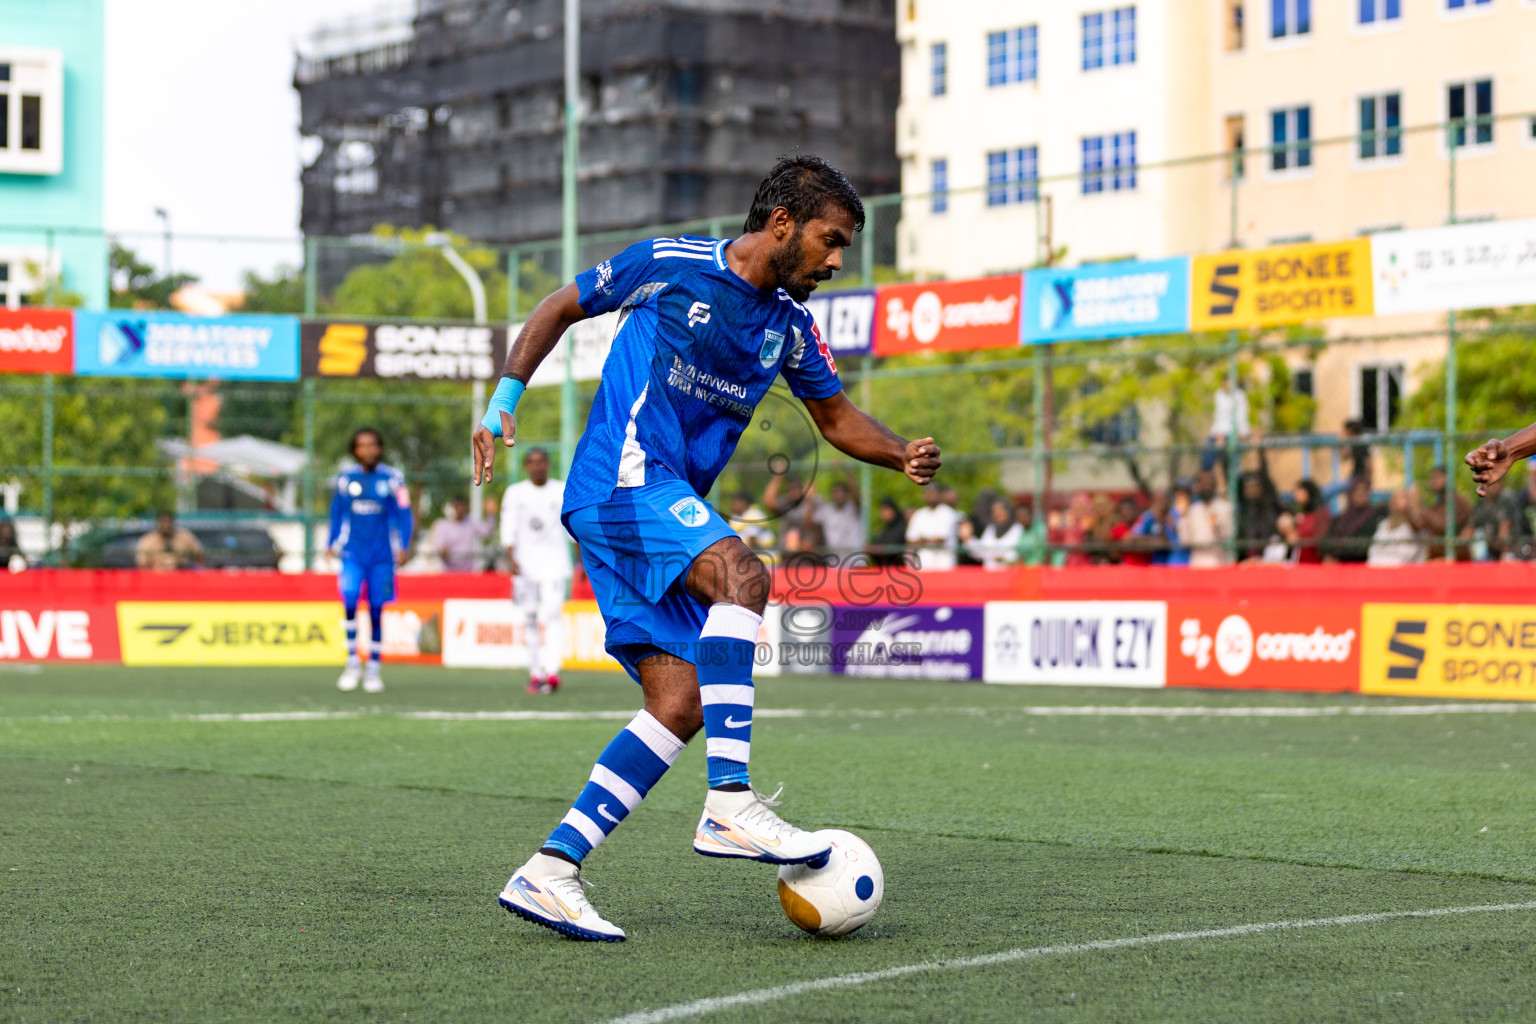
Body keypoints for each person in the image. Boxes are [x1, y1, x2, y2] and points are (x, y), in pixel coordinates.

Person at [470, 155, 942, 942]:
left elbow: (835, 419)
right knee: (743, 576)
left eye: (845, 249)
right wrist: (504, 400)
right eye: (830, 241)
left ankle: (551, 870)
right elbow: (560, 305)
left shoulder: (790, 327)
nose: (835, 261)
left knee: (680, 703)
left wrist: (898, 453)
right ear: (781, 223)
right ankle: (730, 804)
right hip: (621, 481)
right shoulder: (670, 266)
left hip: (647, 506)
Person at [329, 427, 413, 694]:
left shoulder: (393, 479)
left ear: (380, 448)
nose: (368, 450)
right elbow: (336, 514)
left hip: (383, 558)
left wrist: (406, 544)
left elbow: (404, 514)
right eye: (362, 446)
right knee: (350, 601)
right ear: (354, 450)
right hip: (353, 554)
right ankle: (352, 662)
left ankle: (374, 668)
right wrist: (330, 542)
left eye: (372, 445)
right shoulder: (345, 479)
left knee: (377, 610)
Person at [500, 447, 573, 694]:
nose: (537, 466)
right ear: (526, 467)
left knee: (552, 616)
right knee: (529, 618)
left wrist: (581, 562)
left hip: (555, 565)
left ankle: (552, 672)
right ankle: (535, 672)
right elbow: (507, 528)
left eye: (541, 461)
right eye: (532, 462)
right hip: (525, 567)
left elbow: (572, 528)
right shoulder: (515, 493)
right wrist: (512, 558)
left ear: (548, 465)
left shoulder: (561, 489)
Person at [1408, 466, 1471, 560]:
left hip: (1455, 560)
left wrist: (1421, 507)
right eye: (1431, 478)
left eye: (1436, 478)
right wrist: (1409, 508)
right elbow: (1419, 527)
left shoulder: (1457, 502)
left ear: (1447, 478)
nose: (1432, 482)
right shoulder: (1438, 505)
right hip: (1436, 559)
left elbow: (1443, 526)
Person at [1323, 478, 1385, 564]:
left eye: (1364, 490)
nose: (1360, 493)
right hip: (1336, 567)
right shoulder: (1339, 519)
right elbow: (1325, 542)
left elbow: (1366, 544)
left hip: (1361, 565)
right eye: (1357, 490)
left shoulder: (1375, 517)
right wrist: (1328, 556)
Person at [1180, 471, 1234, 568]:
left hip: (1219, 563)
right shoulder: (1193, 510)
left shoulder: (1225, 508)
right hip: (1197, 564)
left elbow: (1229, 538)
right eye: (1203, 484)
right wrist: (1183, 518)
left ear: (1214, 485)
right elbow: (1185, 541)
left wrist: (1216, 526)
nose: (1206, 487)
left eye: (1209, 484)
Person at [428, 497, 493, 572]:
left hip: (468, 572)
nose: (460, 509)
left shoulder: (471, 522)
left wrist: (490, 514)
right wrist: (443, 551)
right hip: (449, 572)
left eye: (462, 506)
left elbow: (487, 532)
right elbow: (438, 548)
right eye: (458, 505)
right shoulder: (444, 526)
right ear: (453, 507)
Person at [905, 482, 959, 570]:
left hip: (944, 565)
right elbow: (910, 541)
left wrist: (922, 540)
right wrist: (928, 540)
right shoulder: (919, 514)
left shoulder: (948, 513)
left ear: (940, 495)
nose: (931, 495)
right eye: (928, 492)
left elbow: (939, 540)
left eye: (934, 493)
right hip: (923, 565)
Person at [1465, 476, 1520, 561]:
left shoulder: (1506, 498)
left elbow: (1505, 528)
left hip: (1513, 549)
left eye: (1496, 482)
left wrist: (1504, 554)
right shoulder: (1482, 501)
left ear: (1502, 484)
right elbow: (1470, 527)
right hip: (1491, 551)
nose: (1493, 486)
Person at [808, 478, 865, 559]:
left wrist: (847, 469)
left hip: (854, 560)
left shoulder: (852, 507)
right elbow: (809, 523)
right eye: (835, 492)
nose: (838, 495)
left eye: (841, 492)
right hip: (834, 562)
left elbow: (856, 496)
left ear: (846, 494)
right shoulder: (826, 510)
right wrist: (809, 498)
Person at [1201, 381, 1250, 474]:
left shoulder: (1240, 395)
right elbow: (1219, 416)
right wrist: (1219, 434)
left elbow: (1242, 416)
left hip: (1234, 435)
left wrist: (1240, 433)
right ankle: (1206, 478)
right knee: (1208, 453)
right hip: (1219, 434)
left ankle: (1234, 480)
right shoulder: (1219, 394)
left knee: (1232, 464)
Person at [1367, 490, 1425, 566]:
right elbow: (1373, 550)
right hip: (1376, 569)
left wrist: (1408, 509)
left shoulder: (1414, 525)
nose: (1394, 502)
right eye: (1393, 499)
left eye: (1400, 498)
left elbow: (1418, 526)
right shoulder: (1383, 524)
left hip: (1403, 572)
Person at [135, 512, 204, 571]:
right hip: (156, 578)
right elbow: (142, 564)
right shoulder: (148, 540)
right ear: (158, 524)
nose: (166, 526)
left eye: (168, 522)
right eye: (163, 522)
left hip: (182, 578)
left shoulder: (184, 537)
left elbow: (199, 556)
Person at [965, 498, 1021, 570]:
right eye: (994, 511)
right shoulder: (990, 529)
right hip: (990, 575)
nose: (997, 513)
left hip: (1009, 575)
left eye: (1000, 509)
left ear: (1008, 510)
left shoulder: (1018, 529)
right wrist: (968, 539)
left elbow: (1021, 554)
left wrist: (1005, 558)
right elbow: (981, 552)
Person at [1289, 480, 1330, 564]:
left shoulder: (1321, 513)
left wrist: (1300, 539)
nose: (1296, 495)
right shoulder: (1301, 513)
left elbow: (1321, 538)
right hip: (1301, 560)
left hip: (1315, 561)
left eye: (1299, 491)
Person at [868, 496, 908, 567]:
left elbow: (895, 547)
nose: (884, 513)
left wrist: (879, 550)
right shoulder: (883, 530)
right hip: (883, 570)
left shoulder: (902, 527)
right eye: (882, 510)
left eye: (887, 509)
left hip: (898, 569)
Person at [1014, 502, 1048, 567]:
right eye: (1019, 516)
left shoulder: (1040, 529)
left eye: (1024, 515)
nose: (1022, 518)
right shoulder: (1020, 532)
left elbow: (1046, 553)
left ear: (1031, 515)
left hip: (1038, 570)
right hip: (1024, 570)